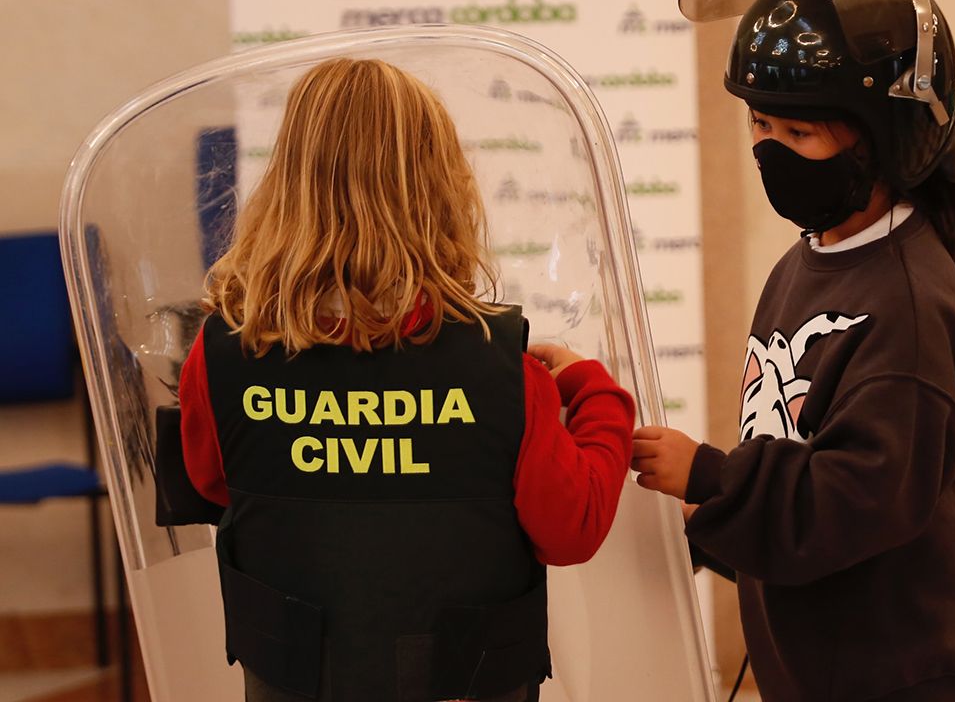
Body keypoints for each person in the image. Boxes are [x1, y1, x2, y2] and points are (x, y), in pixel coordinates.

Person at [175, 58, 634, 702]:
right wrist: (595, 394)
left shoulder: (223, 350)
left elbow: (216, 483)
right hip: (466, 680)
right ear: (441, 188)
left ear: (286, 182)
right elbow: (572, 529)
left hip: (297, 674)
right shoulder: (500, 365)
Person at [633, 0, 955, 701]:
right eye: (759, 128)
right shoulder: (806, 261)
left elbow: (856, 499)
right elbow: (786, 439)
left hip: (898, 673)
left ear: (888, 143)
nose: (770, 153)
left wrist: (709, 478)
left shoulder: (910, 308)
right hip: (821, 661)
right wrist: (713, 525)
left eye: (797, 134)